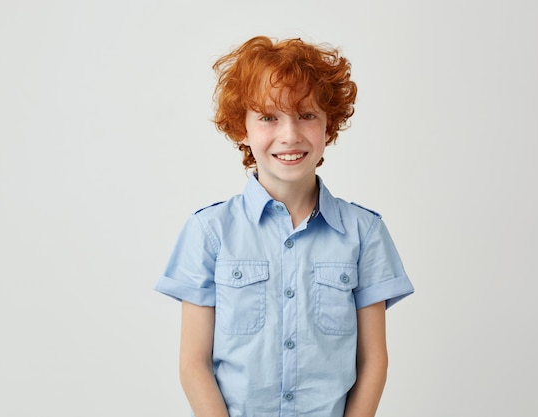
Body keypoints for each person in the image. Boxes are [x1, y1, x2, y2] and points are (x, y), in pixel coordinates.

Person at [154, 35, 414, 417]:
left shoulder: (365, 233)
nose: (290, 135)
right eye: (269, 117)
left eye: (307, 115)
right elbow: (193, 363)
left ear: (330, 125)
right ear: (242, 128)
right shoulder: (209, 232)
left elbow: (374, 361)